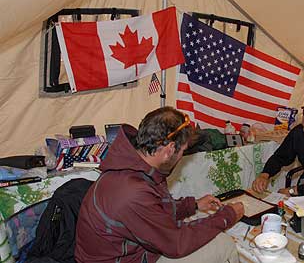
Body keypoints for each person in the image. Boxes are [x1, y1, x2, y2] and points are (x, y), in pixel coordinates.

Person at [75, 106, 244, 263]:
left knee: (202, 226)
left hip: (128, 252)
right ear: (169, 149)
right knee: (224, 245)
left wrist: (192, 205)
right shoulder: (132, 191)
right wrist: (227, 216)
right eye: (182, 151)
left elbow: (154, 209)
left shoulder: (133, 165)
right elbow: (176, 243)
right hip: (128, 258)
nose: (181, 157)